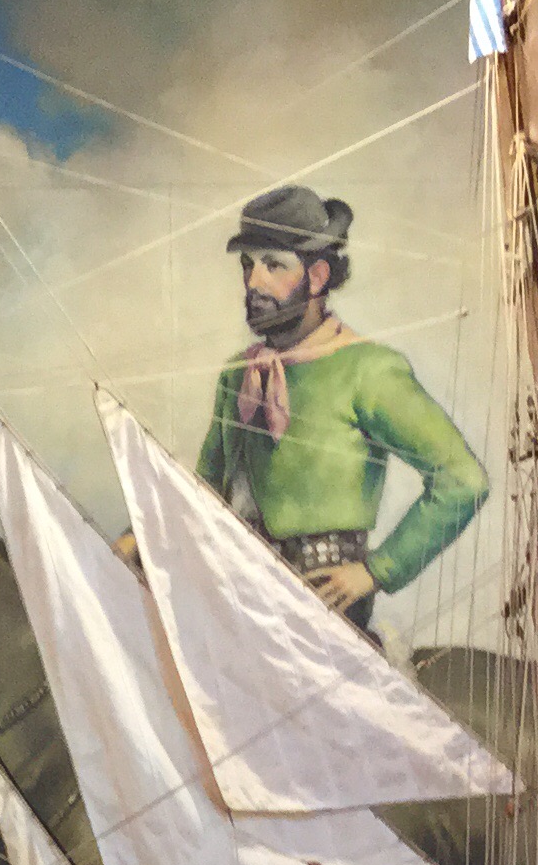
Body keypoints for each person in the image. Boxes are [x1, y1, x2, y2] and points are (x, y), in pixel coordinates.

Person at [197, 183, 489, 628]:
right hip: (238, 596)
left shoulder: (368, 370)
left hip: (325, 606)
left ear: (317, 277)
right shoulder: (239, 376)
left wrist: (378, 570)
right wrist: (137, 537)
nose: (254, 282)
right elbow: (204, 488)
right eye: (247, 265)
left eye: (273, 265)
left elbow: (464, 480)